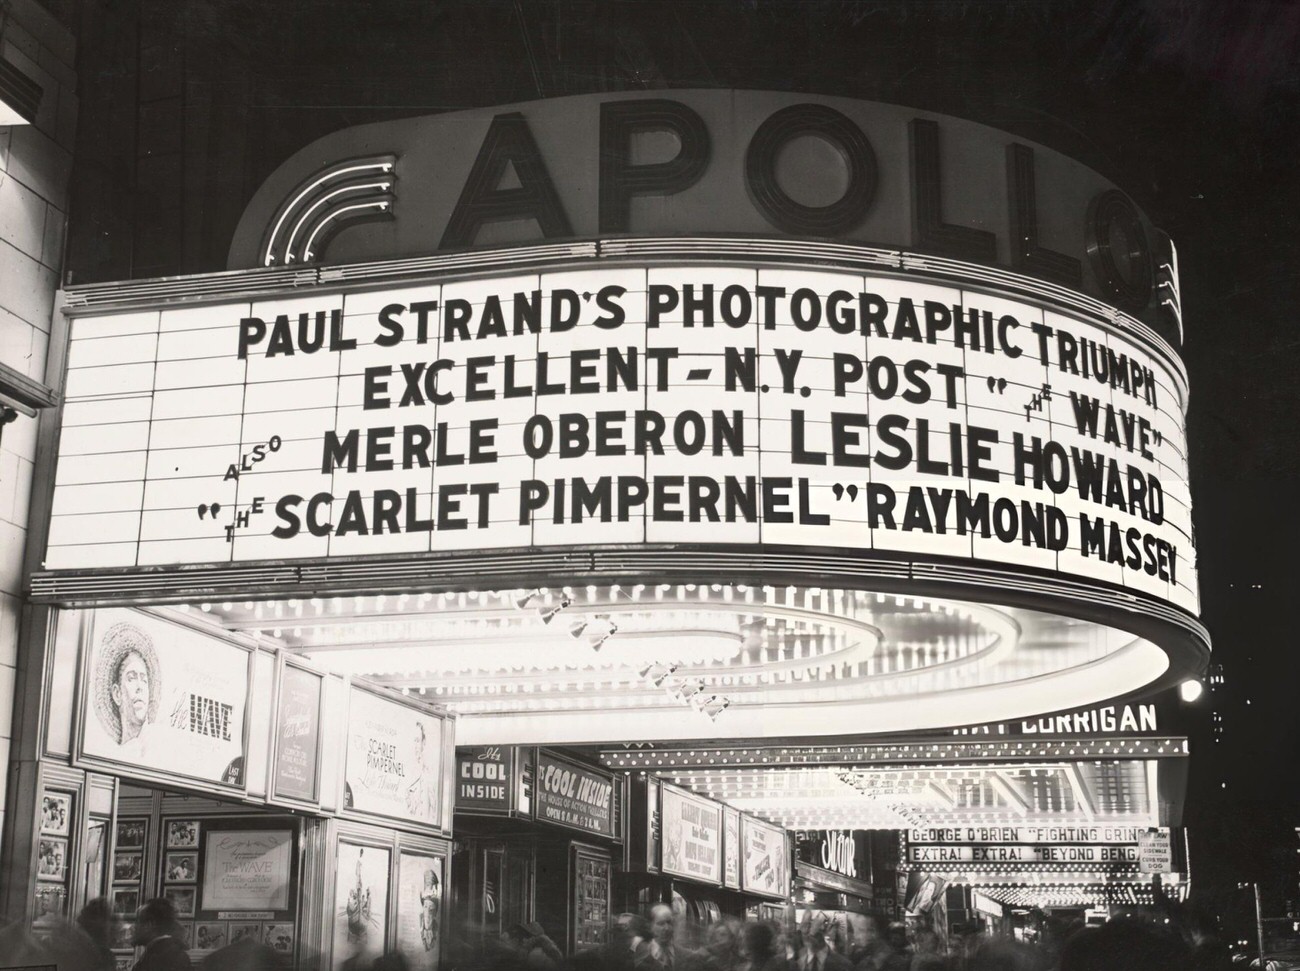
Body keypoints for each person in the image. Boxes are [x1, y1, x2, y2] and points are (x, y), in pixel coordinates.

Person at [132, 898, 192, 971]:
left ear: (149, 924)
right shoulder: (171, 953)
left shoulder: (158, 957)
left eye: (136, 921)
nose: (132, 927)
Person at [637, 905, 696, 971]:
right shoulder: (641, 957)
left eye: (669, 922)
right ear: (650, 926)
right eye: (661, 923)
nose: (667, 928)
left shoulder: (687, 956)